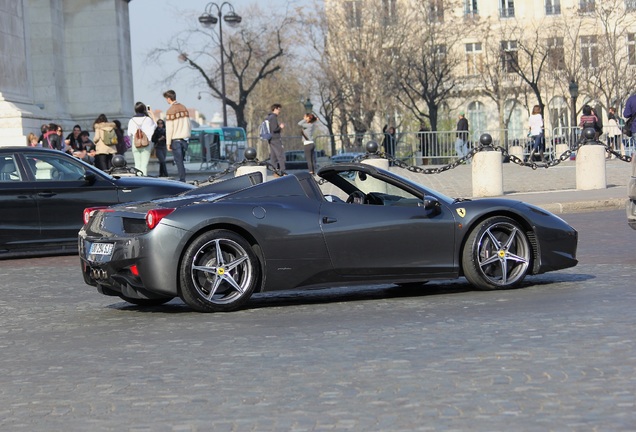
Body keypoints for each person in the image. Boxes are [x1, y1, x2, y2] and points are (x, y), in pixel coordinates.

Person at [163, 90, 191, 182]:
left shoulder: (170, 110)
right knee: (182, 161)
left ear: (168, 98)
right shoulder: (183, 107)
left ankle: (182, 179)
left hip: (176, 140)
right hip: (185, 139)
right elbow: (188, 124)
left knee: (179, 162)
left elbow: (169, 128)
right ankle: (183, 178)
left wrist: (168, 143)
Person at [127, 102, 156, 176]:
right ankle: (143, 178)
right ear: (144, 109)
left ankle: (137, 179)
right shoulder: (148, 119)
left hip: (135, 143)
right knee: (144, 165)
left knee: (137, 164)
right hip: (146, 143)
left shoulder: (131, 120)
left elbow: (129, 133)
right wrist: (151, 114)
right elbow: (155, 126)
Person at [266, 103, 286, 174]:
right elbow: (274, 129)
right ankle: (283, 171)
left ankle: (275, 172)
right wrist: (280, 127)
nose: (279, 111)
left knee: (273, 156)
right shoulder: (273, 117)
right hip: (276, 138)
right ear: (275, 109)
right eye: (279, 109)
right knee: (280, 156)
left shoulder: (268, 117)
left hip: (270, 139)